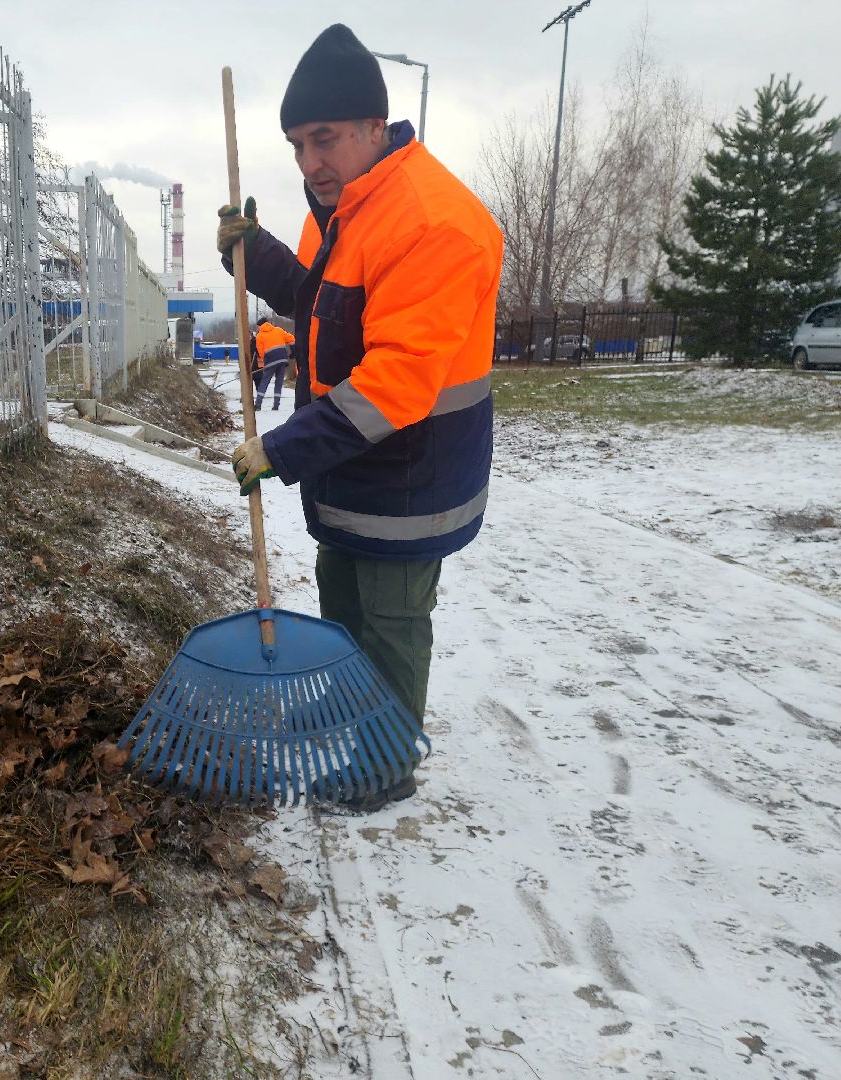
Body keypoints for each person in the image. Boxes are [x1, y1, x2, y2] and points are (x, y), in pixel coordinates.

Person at [217, 23, 502, 811]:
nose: (310, 162)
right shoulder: (342, 205)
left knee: (392, 618)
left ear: (376, 127)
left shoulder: (433, 222)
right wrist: (258, 252)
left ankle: (387, 761)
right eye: (297, 145)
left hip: (412, 472)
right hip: (357, 467)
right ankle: (352, 704)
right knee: (343, 597)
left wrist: (282, 448)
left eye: (325, 139)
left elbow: (397, 381)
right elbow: (321, 305)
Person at [251, 316, 296, 411]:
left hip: (270, 361)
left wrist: (266, 361)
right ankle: (276, 405)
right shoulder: (278, 330)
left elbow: (261, 352)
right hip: (282, 360)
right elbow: (292, 339)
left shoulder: (260, 336)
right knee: (278, 383)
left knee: (264, 383)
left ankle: (258, 405)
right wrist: (293, 352)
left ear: (260, 326)